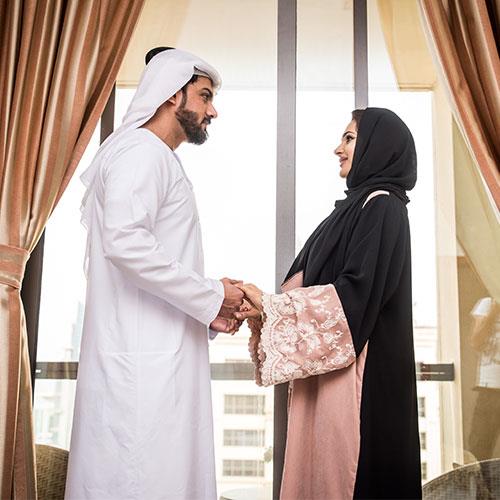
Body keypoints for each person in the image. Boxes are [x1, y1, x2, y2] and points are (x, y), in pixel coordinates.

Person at [65, 48, 244, 500]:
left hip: (152, 355)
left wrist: (209, 310)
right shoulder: (142, 152)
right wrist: (210, 294)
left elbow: (152, 256)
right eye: (204, 96)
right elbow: (125, 241)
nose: (212, 110)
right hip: (143, 368)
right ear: (171, 95)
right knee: (142, 477)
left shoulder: (153, 156)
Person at [236, 108, 422, 499]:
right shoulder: (351, 210)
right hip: (332, 373)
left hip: (363, 379)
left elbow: (355, 294)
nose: (337, 148)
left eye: (349, 138)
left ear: (378, 145)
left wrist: (273, 309)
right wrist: (263, 306)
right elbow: (306, 283)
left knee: (352, 477)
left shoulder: (383, 206)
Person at [468, 296, 500, 461]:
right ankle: (481, 487)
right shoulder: (487, 304)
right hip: (488, 389)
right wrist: (492, 314)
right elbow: (476, 341)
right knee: (479, 448)